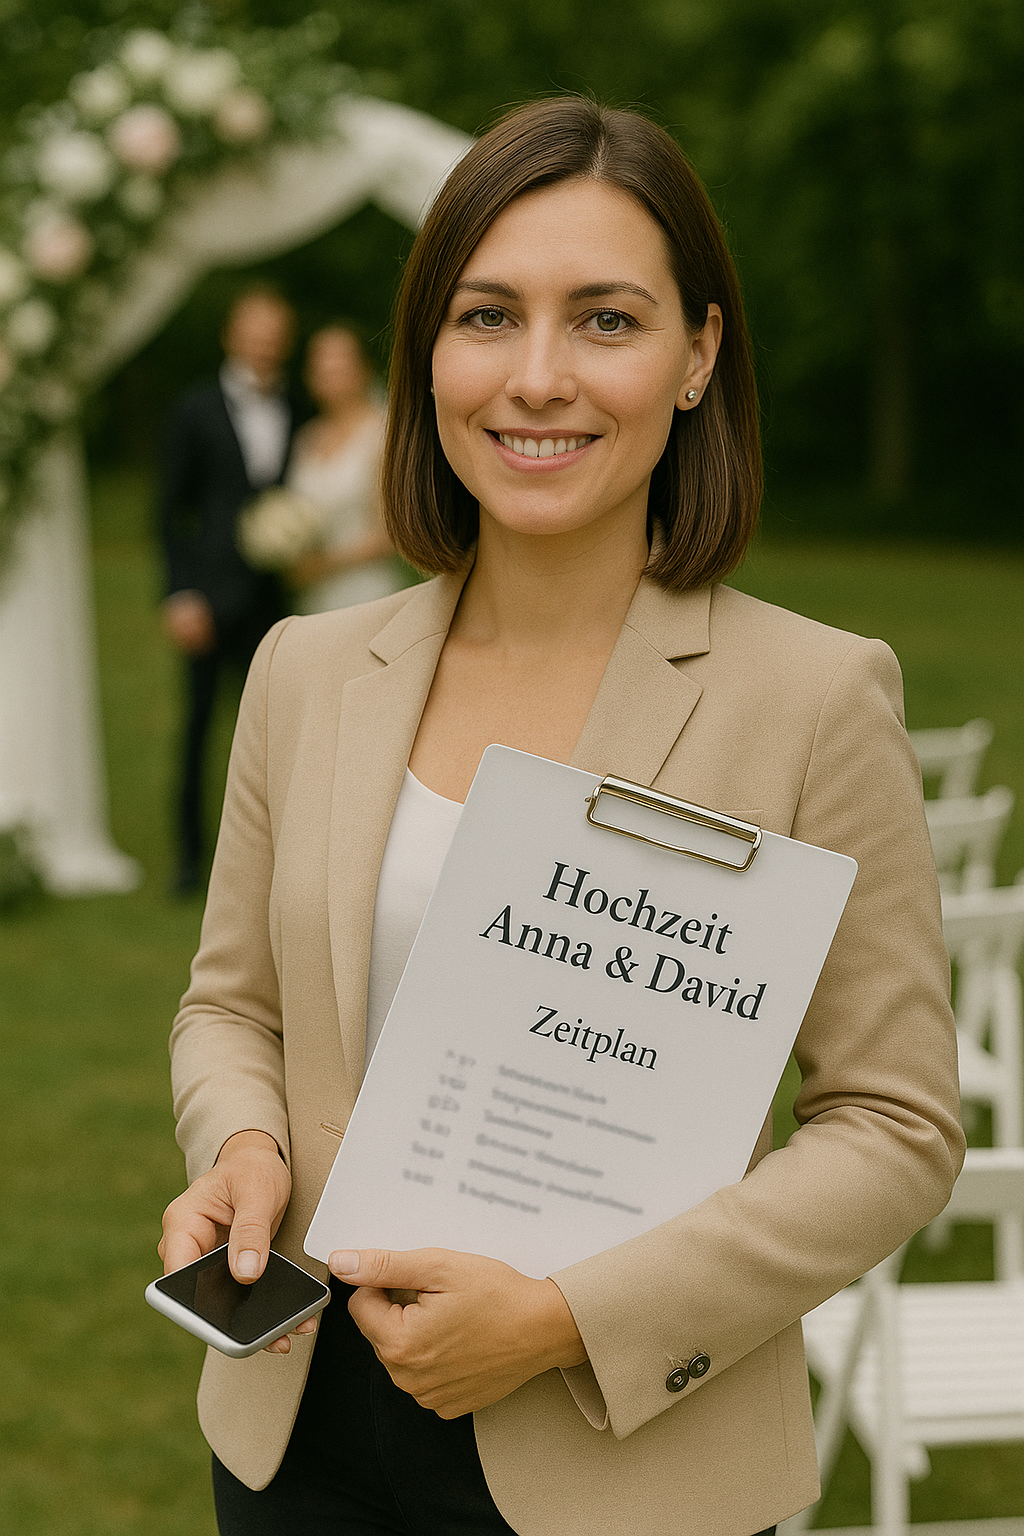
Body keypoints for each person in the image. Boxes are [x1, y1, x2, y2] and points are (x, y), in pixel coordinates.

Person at [159, 99, 964, 1536]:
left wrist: (567, 1320)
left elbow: (893, 1122)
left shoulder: (814, 699)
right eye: (487, 317)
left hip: (628, 1462)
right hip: (296, 1438)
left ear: (698, 355)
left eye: (604, 320)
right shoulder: (305, 671)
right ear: (428, 353)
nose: (537, 379)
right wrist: (241, 1149)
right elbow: (232, 1006)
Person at [157, 284, 298, 894]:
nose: (264, 343)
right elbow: (170, 510)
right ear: (231, 336)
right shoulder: (194, 409)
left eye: (274, 334)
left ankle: (269, 859)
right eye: (254, 331)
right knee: (197, 727)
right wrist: (180, 592)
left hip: (275, 599)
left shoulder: (299, 406)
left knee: (273, 733)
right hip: (208, 599)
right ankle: (189, 859)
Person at [285, 324, 403, 614]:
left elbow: (390, 534)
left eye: (339, 362)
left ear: (363, 368)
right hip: (311, 598)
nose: (329, 370)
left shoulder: (382, 433)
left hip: (365, 593)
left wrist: (322, 566)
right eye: (320, 363)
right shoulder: (306, 438)